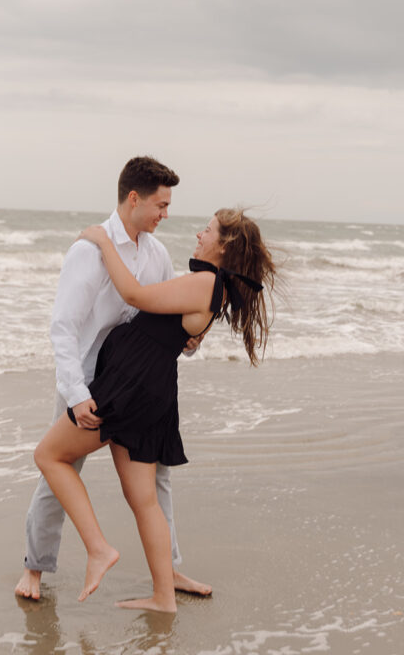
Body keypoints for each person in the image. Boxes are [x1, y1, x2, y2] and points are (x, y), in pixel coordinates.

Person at [34, 207, 277, 612]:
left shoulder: (205, 282)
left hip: (130, 387)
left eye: (209, 230)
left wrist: (101, 240)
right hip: (150, 388)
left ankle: (98, 548)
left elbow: (133, 294)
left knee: (49, 455)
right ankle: (164, 598)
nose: (200, 233)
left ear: (225, 245)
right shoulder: (213, 286)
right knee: (143, 500)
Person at [15, 156, 212, 601]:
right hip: (88, 383)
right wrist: (77, 394)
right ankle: (34, 569)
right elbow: (63, 328)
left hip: (135, 386)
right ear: (134, 198)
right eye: (161, 205)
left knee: (156, 478)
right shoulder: (89, 250)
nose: (166, 214)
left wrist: (188, 341)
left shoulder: (156, 254)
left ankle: (170, 571)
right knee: (59, 471)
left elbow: (161, 316)